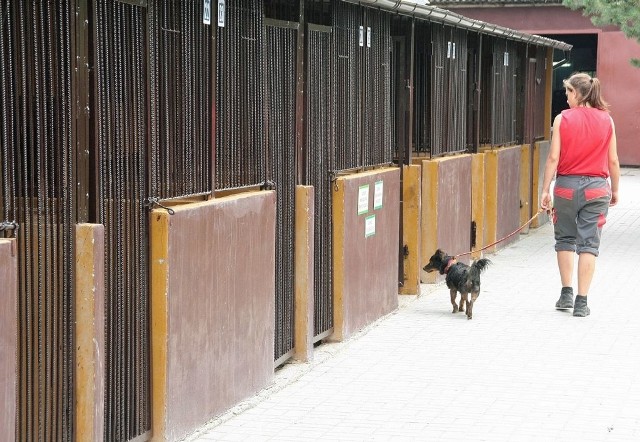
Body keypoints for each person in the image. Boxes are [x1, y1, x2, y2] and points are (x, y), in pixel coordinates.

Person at [540, 72, 620, 317]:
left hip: (565, 188)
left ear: (577, 93)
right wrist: (615, 189)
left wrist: (545, 190)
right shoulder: (607, 120)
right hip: (597, 189)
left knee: (564, 239)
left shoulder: (562, 119)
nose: (566, 99)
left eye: (568, 93)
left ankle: (565, 293)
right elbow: (614, 161)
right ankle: (581, 302)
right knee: (589, 244)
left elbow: (553, 158)